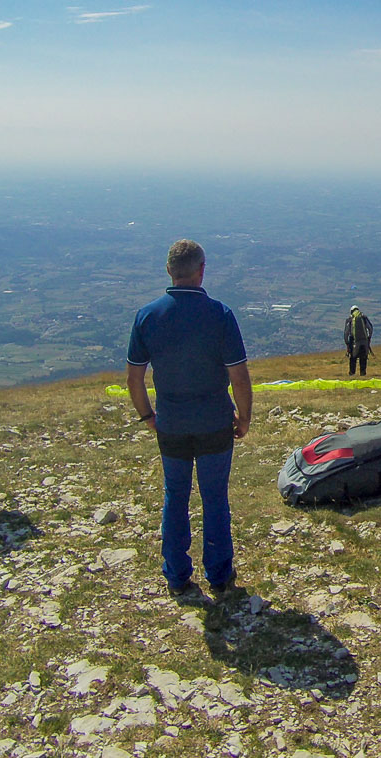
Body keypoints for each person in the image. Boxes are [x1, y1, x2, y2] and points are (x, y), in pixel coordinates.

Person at [127, 239, 253, 595]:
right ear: (202, 270)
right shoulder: (220, 314)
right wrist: (244, 417)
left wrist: (147, 416)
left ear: (169, 270)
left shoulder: (148, 316)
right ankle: (219, 574)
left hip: (171, 422)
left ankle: (177, 575)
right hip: (215, 421)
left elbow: (134, 378)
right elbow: (239, 376)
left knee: (175, 495)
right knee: (214, 498)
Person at [344, 305, 373, 376]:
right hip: (364, 341)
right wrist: (369, 337)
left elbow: (346, 332)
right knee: (363, 357)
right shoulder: (364, 318)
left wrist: (347, 342)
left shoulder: (350, 319)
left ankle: (352, 372)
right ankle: (363, 373)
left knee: (353, 358)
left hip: (354, 341)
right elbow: (370, 328)